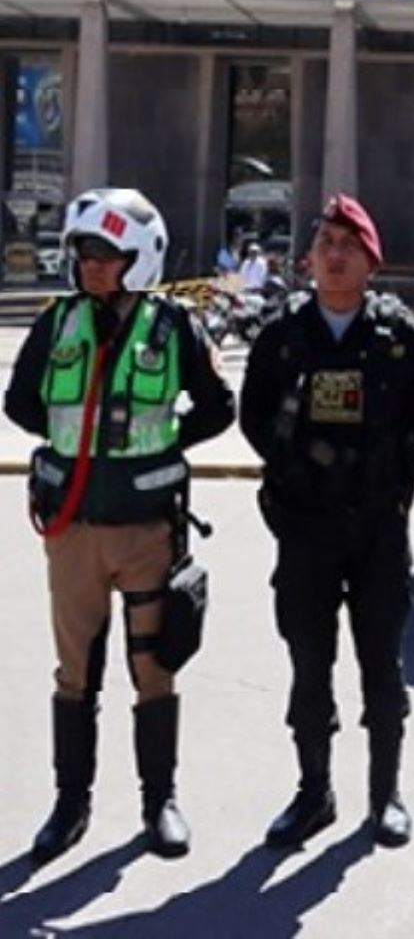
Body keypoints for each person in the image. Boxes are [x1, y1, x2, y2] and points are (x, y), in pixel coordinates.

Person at [4, 188, 235, 862]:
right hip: (73, 527)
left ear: (138, 259)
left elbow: (218, 407)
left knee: (153, 667)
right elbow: (20, 402)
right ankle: (69, 804)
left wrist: (159, 443)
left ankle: (158, 801)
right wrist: (78, 447)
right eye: (82, 253)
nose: (89, 266)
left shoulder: (174, 325)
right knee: (74, 673)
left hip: (145, 529)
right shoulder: (58, 323)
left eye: (103, 254)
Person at [240, 195, 414, 850]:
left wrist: (377, 472)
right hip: (306, 530)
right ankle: (313, 792)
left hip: (377, 529)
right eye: (325, 242)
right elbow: (254, 417)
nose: (333, 254)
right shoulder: (282, 334)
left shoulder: (399, 337)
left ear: (370, 260)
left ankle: (385, 797)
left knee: (382, 665)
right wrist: (299, 469)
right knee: (309, 664)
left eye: (347, 245)